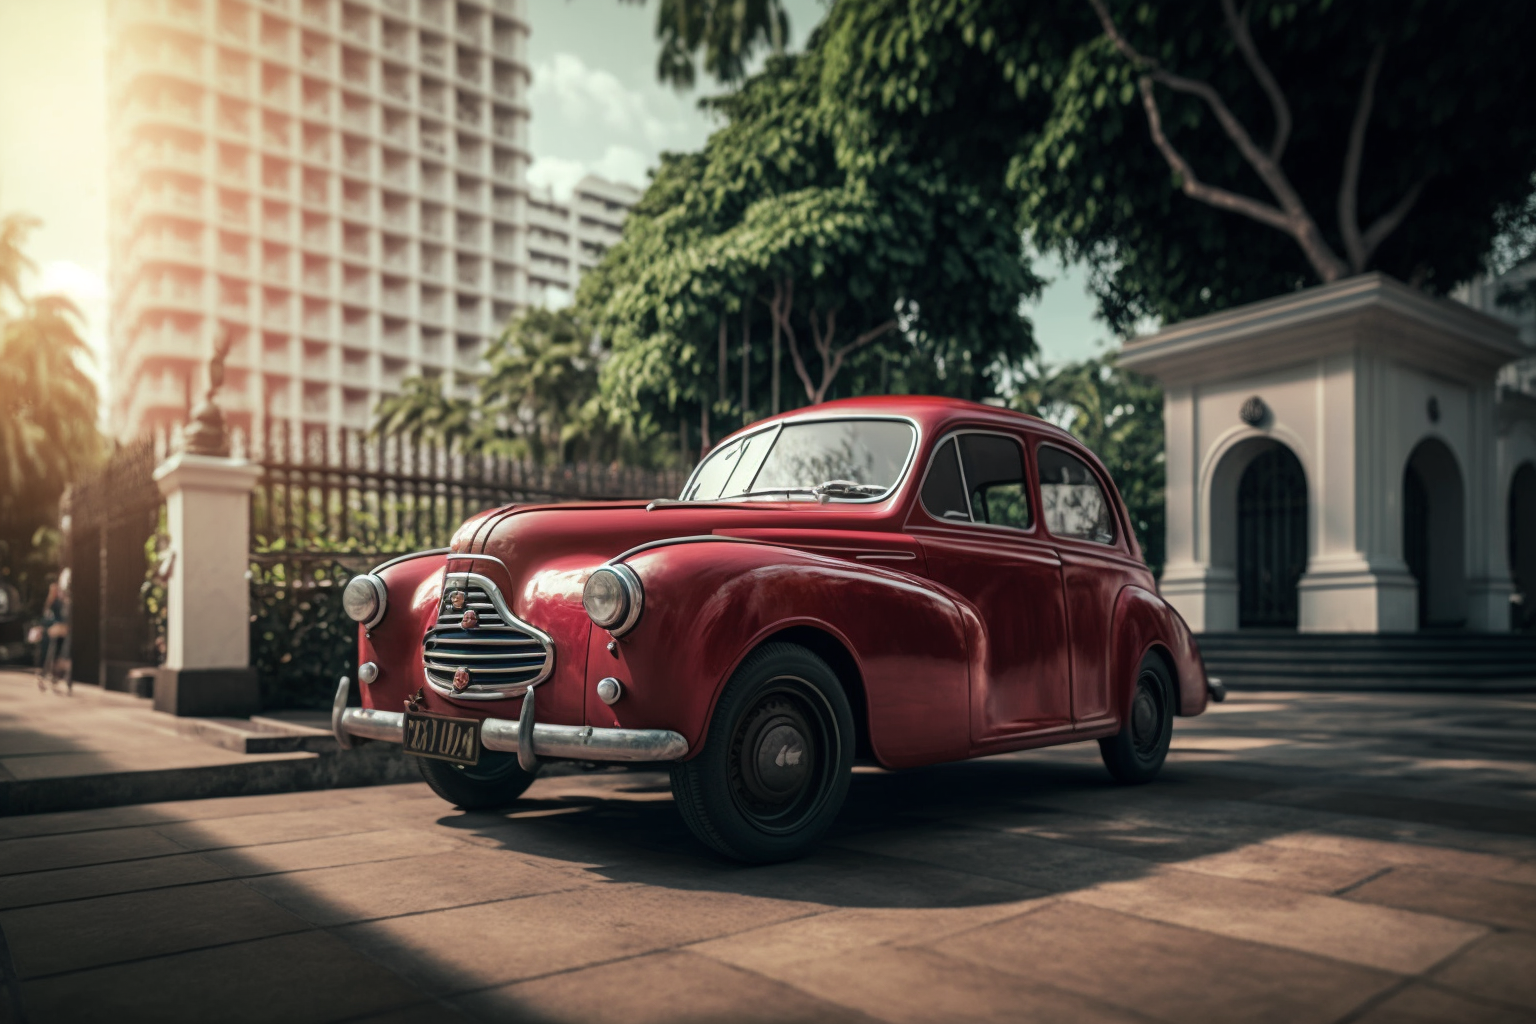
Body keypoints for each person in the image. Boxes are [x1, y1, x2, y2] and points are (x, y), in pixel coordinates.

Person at [37, 571, 72, 695]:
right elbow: (52, 617)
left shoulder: (60, 602)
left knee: (56, 655)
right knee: (53, 654)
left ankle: (50, 677)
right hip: (57, 630)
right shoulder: (55, 603)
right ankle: (47, 677)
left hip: (60, 630)